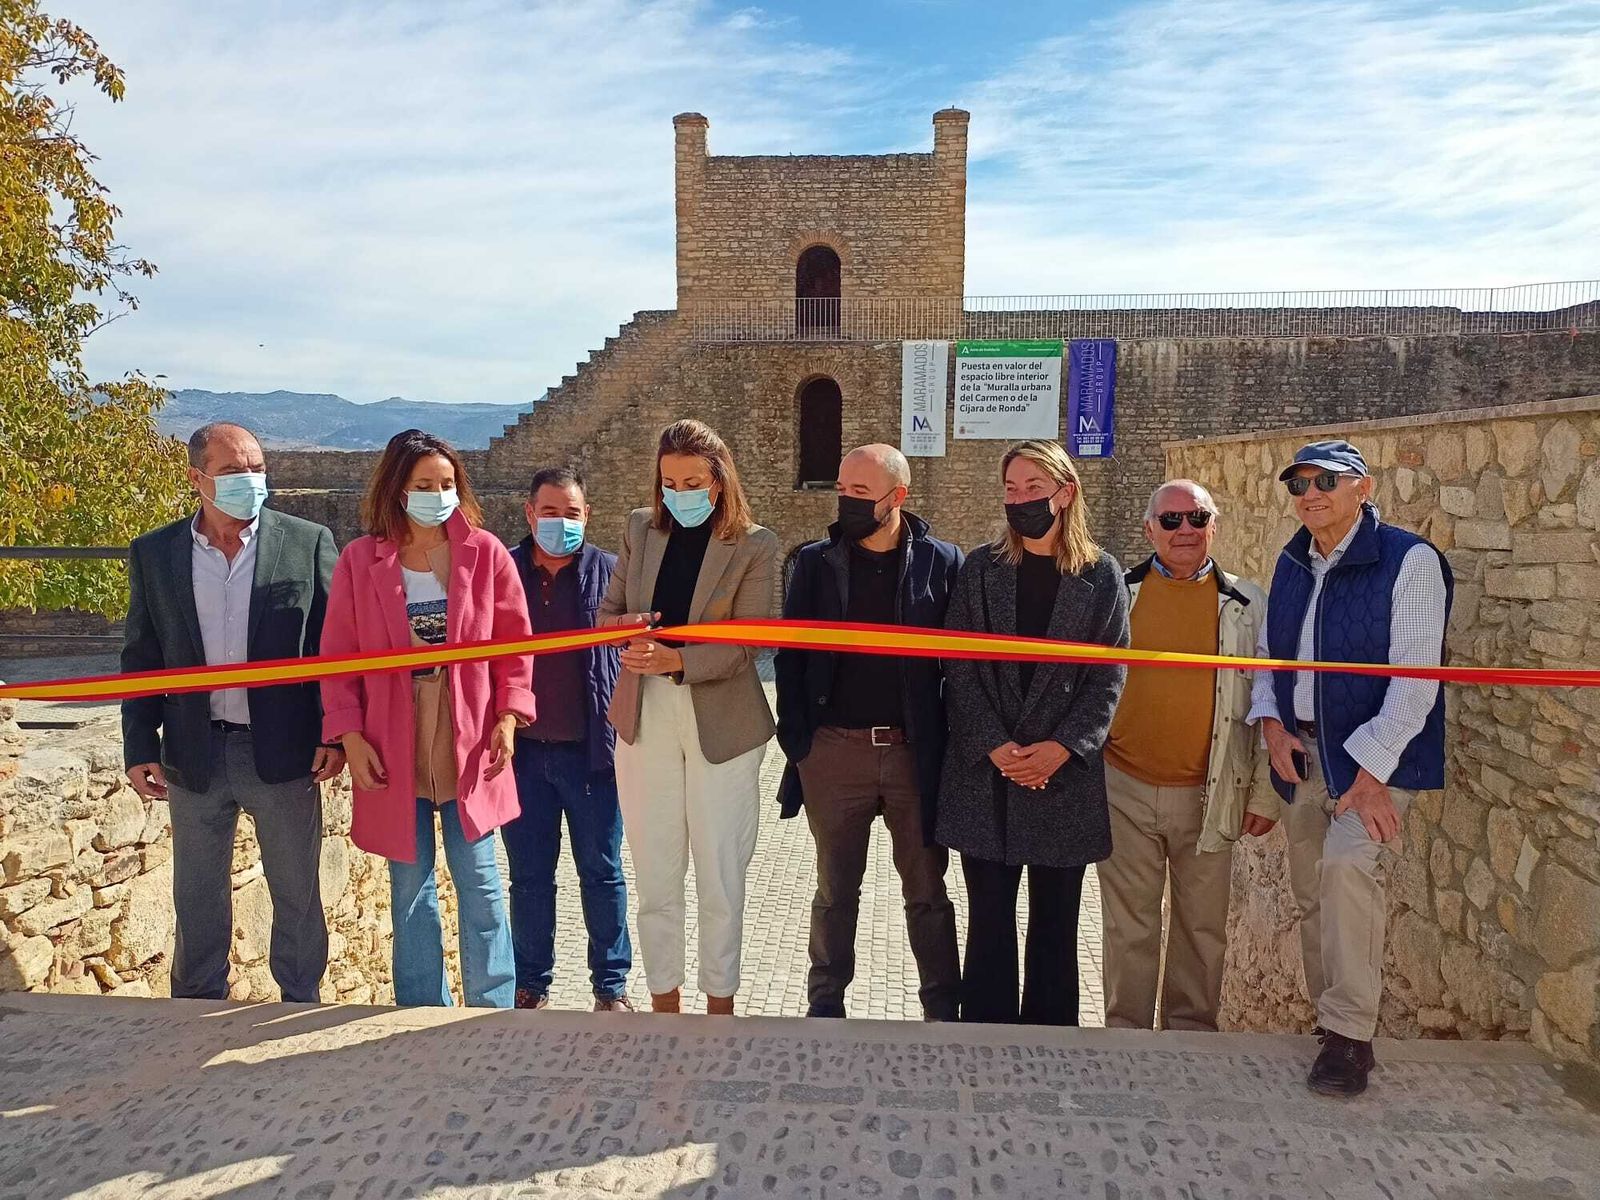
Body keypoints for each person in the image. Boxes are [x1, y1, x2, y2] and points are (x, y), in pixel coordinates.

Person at [1249, 439, 1451, 1096]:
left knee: (1347, 870)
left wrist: (1370, 775)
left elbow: (1416, 682)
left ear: (1362, 487)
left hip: (1372, 762)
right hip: (1302, 753)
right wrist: (1273, 724)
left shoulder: (1409, 560)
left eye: (1324, 481)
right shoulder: (1291, 561)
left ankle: (1350, 1037)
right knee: (1313, 896)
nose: (1309, 494)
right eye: (1298, 484)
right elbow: (1268, 654)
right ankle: (1327, 1018)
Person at [122, 421, 341, 1002]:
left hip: (283, 750)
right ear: (198, 479)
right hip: (193, 752)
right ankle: (195, 1008)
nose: (250, 480)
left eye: (257, 468)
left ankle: (300, 1005)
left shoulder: (307, 542)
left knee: (296, 889)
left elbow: (332, 647)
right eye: (233, 471)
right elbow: (142, 654)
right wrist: (139, 745)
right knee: (195, 893)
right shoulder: (155, 553)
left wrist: (335, 732)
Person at [320, 429, 536, 1008]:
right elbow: (337, 655)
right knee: (409, 887)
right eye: (423, 485)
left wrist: (510, 716)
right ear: (397, 490)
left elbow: (515, 643)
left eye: (446, 484)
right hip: (392, 731)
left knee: (482, 882)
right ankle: (418, 1009)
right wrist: (349, 735)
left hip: (469, 727)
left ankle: (493, 1005)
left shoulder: (484, 553)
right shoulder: (359, 560)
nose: (437, 494)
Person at [936, 439, 1129, 1025]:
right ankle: (987, 1040)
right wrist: (995, 746)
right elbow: (958, 664)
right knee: (989, 920)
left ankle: (1053, 1046)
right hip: (986, 776)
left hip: (1062, 778)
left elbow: (1109, 675)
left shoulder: (1101, 576)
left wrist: (1062, 748)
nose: (1020, 500)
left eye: (1033, 489)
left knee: (1056, 926)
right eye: (1012, 489)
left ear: (1065, 494)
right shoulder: (980, 570)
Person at [775, 444, 963, 1021]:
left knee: (928, 892)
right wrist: (799, 744)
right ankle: (825, 1006)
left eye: (862, 492)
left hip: (913, 754)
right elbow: (789, 655)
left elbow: (958, 662)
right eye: (843, 489)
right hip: (835, 754)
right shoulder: (813, 562)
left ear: (897, 497)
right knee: (835, 893)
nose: (847, 502)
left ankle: (941, 1008)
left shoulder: (943, 562)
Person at [598, 419, 778, 1016]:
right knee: (654, 868)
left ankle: (720, 1006)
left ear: (720, 481)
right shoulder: (638, 529)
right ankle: (664, 1005)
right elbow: (608, 616)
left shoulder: (756, 545)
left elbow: (751, 641)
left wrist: (679, 657)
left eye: (693, 481)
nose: (680, 492)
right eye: (670, 481)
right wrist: (637, 636)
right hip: (644, 714)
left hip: (721, 723)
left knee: (721, 872)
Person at [1098, 479, 1277, 1032]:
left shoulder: (1249, 606)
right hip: (1123, 786)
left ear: (1213, 527)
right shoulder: (1116, 595)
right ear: (1148, 528)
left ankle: (1190, 1041)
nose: (1184, 531)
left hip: (1212, 791)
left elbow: (1271, 698)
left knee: (1202, 928)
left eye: (1196, 519)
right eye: (1170, 520)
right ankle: (1124, 1040)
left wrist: (1265, 792)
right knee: (1131, 928)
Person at [500, 466, 633, 1012]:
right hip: (523, 754)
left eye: (571, 514)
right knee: (529, 879)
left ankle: (611, 986)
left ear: (588, 517)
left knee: (602, 874)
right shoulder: (501, 572)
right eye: (549, 512)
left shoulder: (612, 573)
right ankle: (531, 984)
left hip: (592, 755)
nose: (560, 523)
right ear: (530, 514)